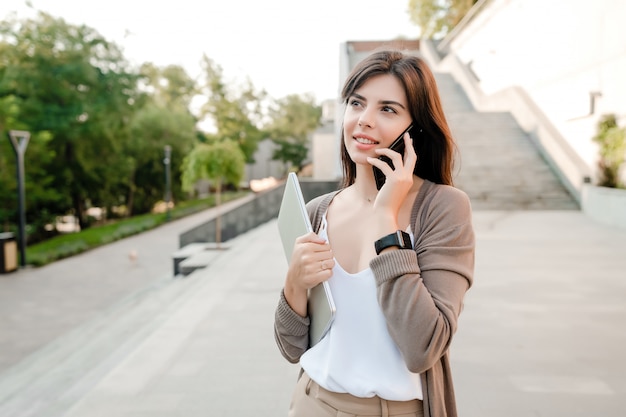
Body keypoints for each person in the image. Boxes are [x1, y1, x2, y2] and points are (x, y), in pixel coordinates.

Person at [274, 49, 475, 417]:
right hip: (311, 402)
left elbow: (423, 346)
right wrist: (294, 283)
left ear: (414, 130)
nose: (364, 120)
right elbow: (291, 348)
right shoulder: (317, 211)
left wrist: (386, 220)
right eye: (356, 103)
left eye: (388, 109)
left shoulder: (443, 208)